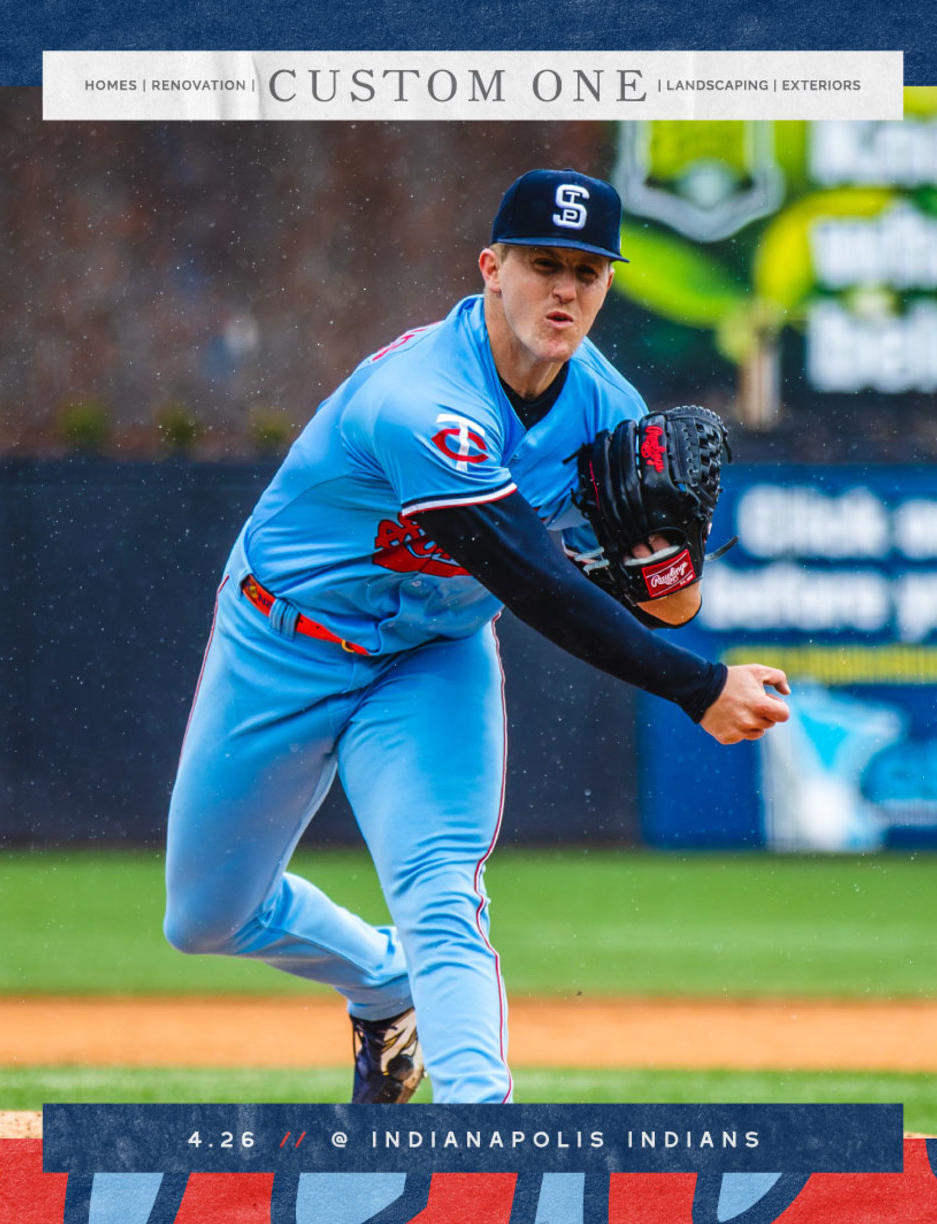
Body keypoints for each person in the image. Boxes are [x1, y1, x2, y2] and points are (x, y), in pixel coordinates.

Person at [162, 169, 791, 1105]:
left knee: (439, 885)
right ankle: (384, 982)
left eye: (588, 272)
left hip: (432, 655)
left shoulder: (607, 410)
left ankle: (480, 1138)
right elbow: (535, 583)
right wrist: (698, 687)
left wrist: (661, 563)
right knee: (206, 917)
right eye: (544, 266)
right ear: (491, 268)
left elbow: (670, 606)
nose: (565, 291)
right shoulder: (419, 400)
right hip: (281, 640)